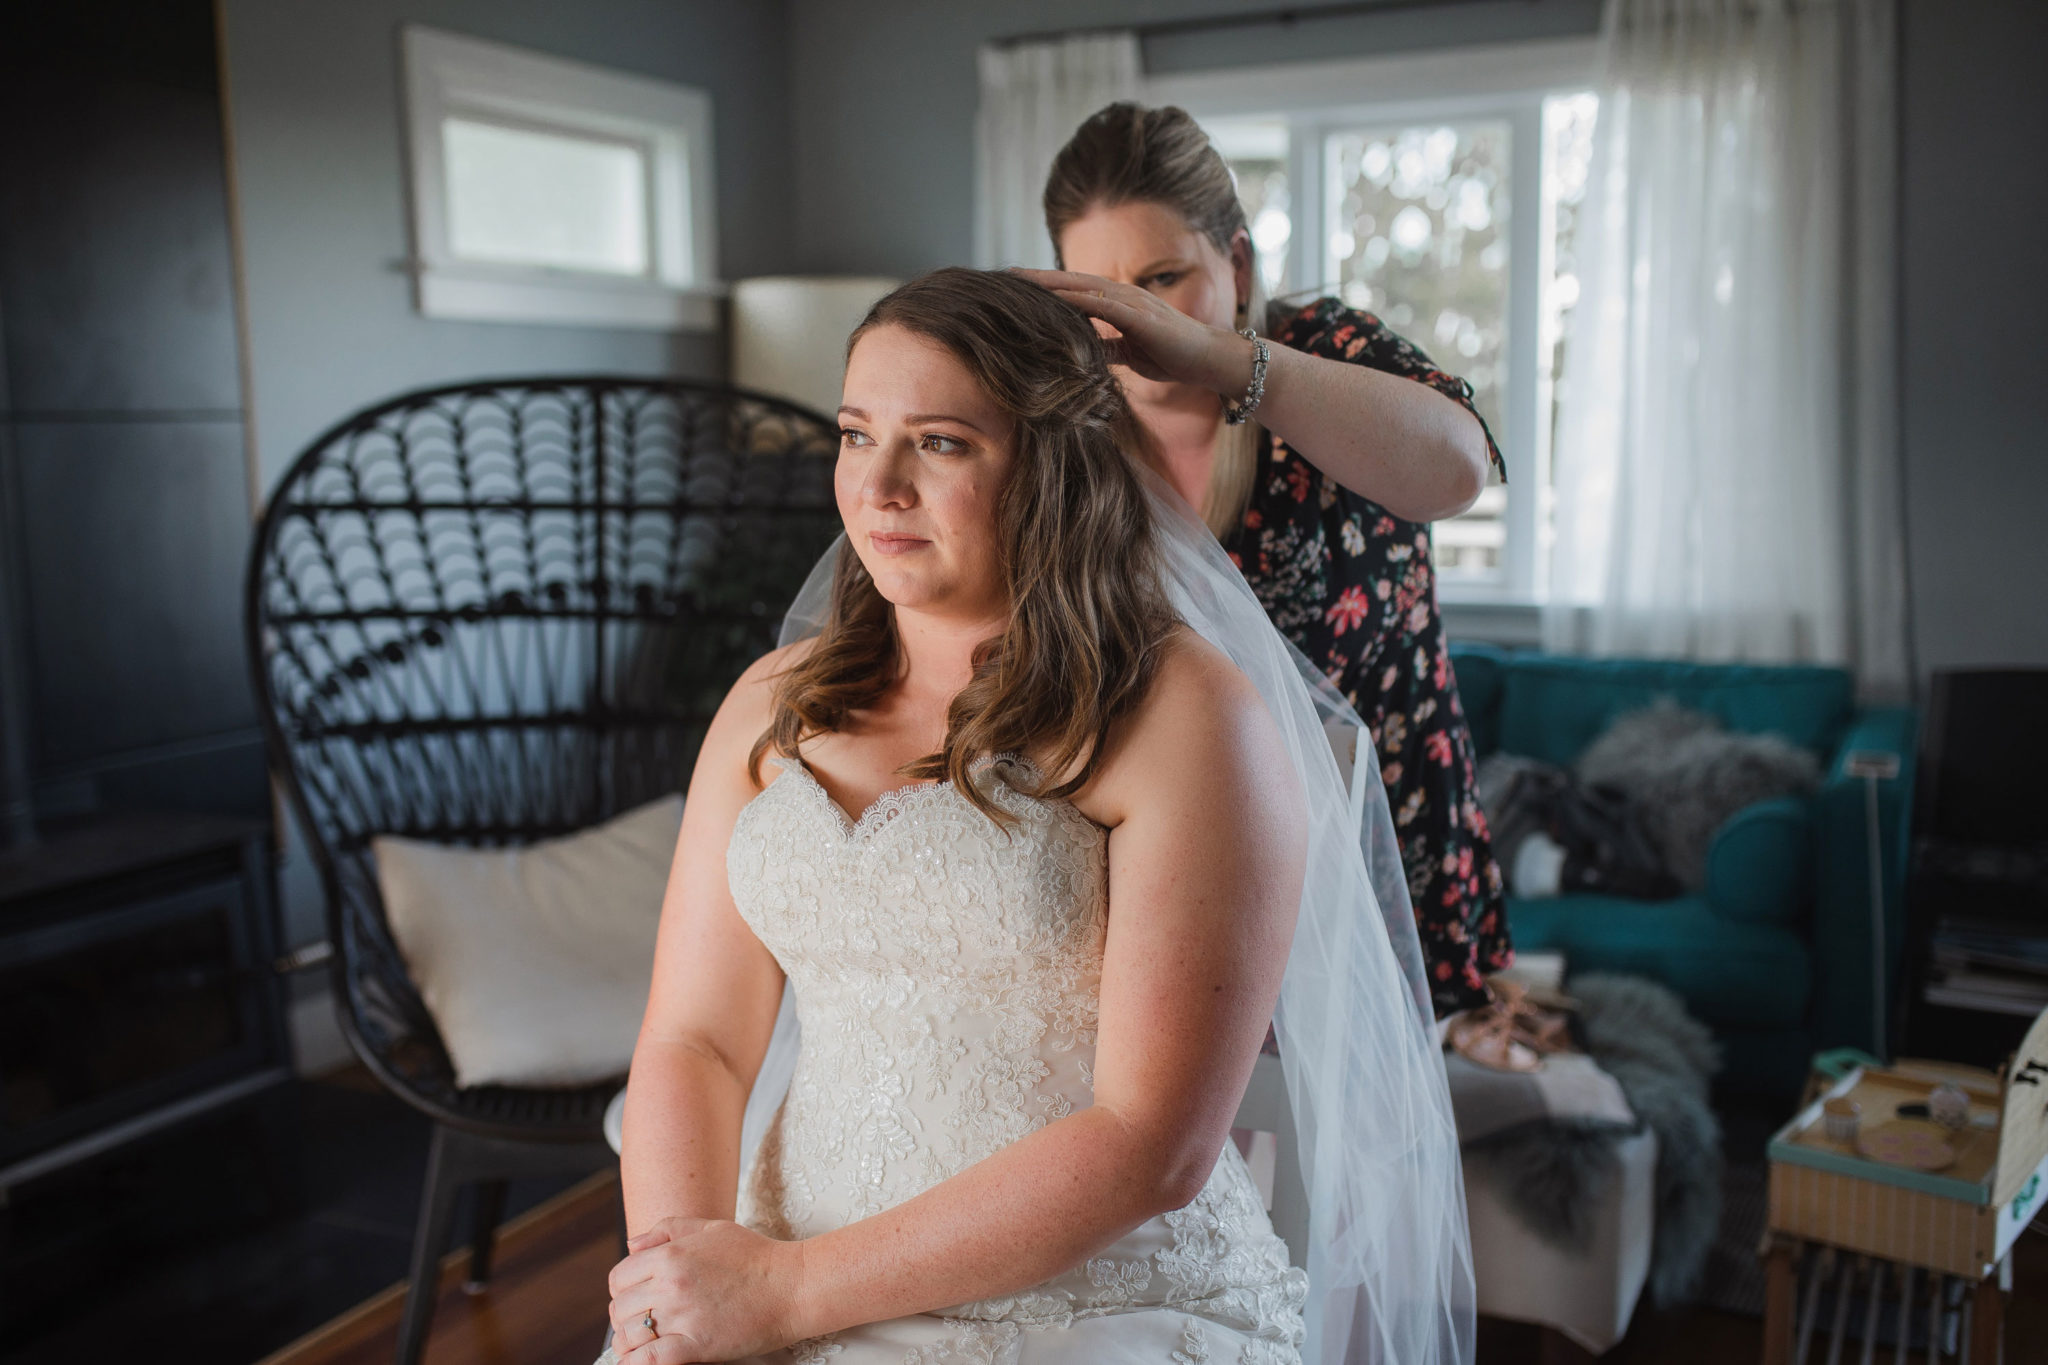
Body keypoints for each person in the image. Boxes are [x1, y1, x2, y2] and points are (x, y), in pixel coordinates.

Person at [597, 269, 1469, 1365]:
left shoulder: (1186, 716)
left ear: (1050, 471)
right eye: (857, 434)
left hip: (1085, 1296)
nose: (879, 487)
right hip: (760, 1265)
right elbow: (695, 1040)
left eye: (942, 444)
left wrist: (785, 1296)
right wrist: (672, 1288)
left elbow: (1151, 1143)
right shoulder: (769, 702)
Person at [1020, 102, 1511, 1017]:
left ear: (1236, 264)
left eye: (1162, 280)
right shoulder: (1071, 430)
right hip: (1176, 866)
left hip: (1378, 846)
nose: (1132, 324)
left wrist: (1219, 360)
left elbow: (1458, 466)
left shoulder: (1322, 350)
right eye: (1100, 293)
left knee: (1363, 1148)